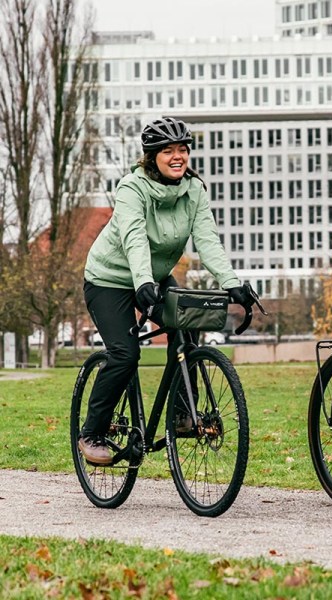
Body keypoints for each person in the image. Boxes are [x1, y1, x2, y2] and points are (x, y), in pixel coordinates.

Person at [79, 117, 254, 466]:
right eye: (168, 151)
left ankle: (181, 414)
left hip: (154, 278)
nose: (178, 157)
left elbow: (207, 240)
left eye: (183, 150)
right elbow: (134, 237)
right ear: (151, 156)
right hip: (109, 279)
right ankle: (92, 432)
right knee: (125, 354)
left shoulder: (194, 190)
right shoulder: (132, 187)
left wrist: (231, 282)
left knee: (188, 328)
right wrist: (142, 280)